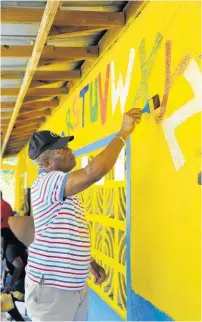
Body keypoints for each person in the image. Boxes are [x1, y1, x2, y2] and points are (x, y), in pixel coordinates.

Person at [24, 108, 141, 321]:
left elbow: (67, 234)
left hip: (73, 284)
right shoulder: (48, 182)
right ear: (48, 164)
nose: (70, 150)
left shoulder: (63, 187)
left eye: (67, 145)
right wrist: (123, 133)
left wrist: (89, 262)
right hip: (52, 289)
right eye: (62, 149)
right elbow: (92, 172)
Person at [1, 228, 28, 321]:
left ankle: (19, 320)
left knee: (3, 299)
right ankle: (13, 315)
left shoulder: (11, 249)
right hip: (19, 280)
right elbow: (6, 266)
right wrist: (2, 280)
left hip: (24, 282)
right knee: (4, 295)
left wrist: (11, 285)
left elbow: (19, 266)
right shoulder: (7, 248)